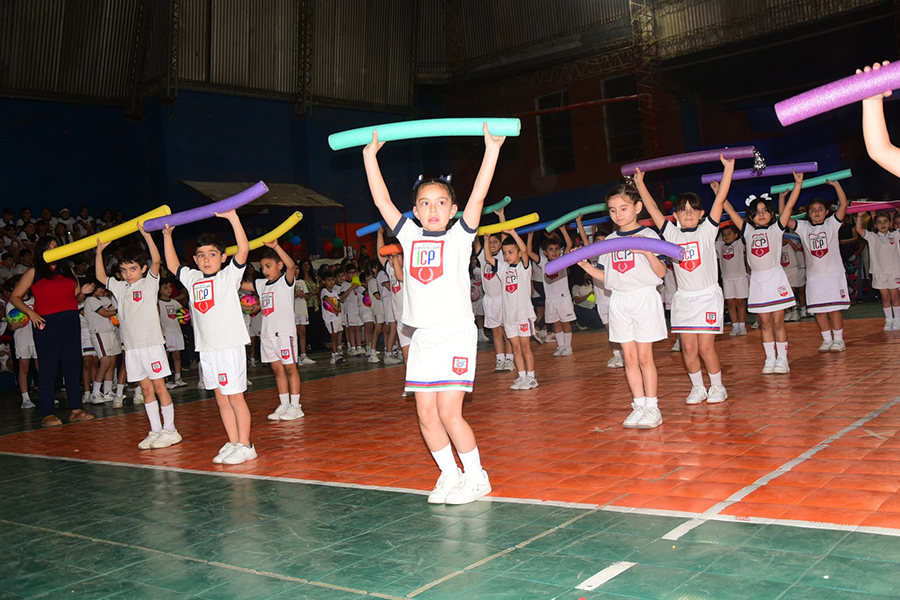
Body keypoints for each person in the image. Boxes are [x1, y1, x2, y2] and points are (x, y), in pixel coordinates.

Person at [362, 123, 504, 504]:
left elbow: (479, 195)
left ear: (452, 210)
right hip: (421, 336)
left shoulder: (461, 236)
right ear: (415, 212)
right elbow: (382, 203)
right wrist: (369, 157)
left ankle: (477, 476)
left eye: (441, 202)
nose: (433, 209)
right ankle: (450, 474)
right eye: (425, 203)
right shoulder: (408, 236)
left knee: (449, 412)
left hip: (456, 333)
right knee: (426, 414)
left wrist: (491, 150)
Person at [635, 156, 735, 405]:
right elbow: (653, 210)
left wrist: (728, 169)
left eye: (693, 209)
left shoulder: (708, 229)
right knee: (688, 349)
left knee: (706, 348)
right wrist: (640, 184)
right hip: (684, 300)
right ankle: (698, 388)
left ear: (701, 214)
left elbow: (720, 199)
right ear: (676, 216)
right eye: (682, 209)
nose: (688, 212)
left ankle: (718, 386)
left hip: (708, 296)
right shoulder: (670, 233)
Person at [163, 210, 256, 464]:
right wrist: (167, 235)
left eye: (212, 254)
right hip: (208, 349)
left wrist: (233, 218)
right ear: (195, 259)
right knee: (221, 398)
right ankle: (233, 440)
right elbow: (172, 266)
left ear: (223, 257)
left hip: (229, 346)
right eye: (201, 255)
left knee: (235, 397)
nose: (206, 259)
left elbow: (244, 250)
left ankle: (246, 445)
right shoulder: (192, 278)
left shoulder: (229, 276)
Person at [577, 183, 668, 428]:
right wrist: (586, 266)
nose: (618, 214)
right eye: (613, 210)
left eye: (623, 208)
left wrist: (647, 252)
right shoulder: (608, 240)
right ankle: (638, 404)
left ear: (638, 208)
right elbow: (609, 277)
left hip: (644, 298)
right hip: (619, 300)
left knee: (644, 356)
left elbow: (661, 272)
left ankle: (652, 406)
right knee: (628, 357)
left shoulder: (649, 236)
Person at [96, 228, 180, 448]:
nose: (128, 274)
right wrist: (99, 252)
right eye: (124, 270)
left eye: (133, 269)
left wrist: (147, 236)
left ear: (142, 268)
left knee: (160, 387)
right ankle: (155, 430)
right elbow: (100, 277)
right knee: (145, 389)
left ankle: (170, 430)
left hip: (151, 345)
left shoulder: (149, 283)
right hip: (132, 348)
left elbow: (156, 260)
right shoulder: (120, 287)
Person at [10, 236, 96, 426]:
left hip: (71, 321)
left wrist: (85, 292)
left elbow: (75, 296)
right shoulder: (35, 271)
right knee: (48, 369)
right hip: (46, 323)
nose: (54, 250)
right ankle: (47, 414)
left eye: (56, 247)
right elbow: (15, 297)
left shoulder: (68, 270)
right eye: (49, 248)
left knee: (73, 366)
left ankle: (76, 409)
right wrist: (31, 313)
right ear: (41, 251)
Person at [723, 172, 802, 374]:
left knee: (777, 321)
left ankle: (782, 359)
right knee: (764, 323)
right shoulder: (747, 231)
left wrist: (798, 183)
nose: (761, 214)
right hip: (757, 281)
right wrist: (719, 192)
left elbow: (790, 207)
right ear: (750, 216)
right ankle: (769, 358)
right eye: (756, 212)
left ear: (771, 213)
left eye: (765, 210)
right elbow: (730, 210)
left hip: (775, 279)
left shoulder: (776, 229)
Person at [782, 180, 850, 352]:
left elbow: (843, 205)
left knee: (834, 309)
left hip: (833, 275)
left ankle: (838, 340)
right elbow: (784, 218)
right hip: (814, 277)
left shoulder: (831, 224)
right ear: (808, 214)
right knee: (819, 311)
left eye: (820, 209)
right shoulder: (803, 227)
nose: (816, 212)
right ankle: (826, 339)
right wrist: (782, 199)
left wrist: (836, 186)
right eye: (813, 210)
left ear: (827, 212)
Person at [244, 242, 304, 421]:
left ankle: (296, 406)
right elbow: (239, 284)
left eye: (268, 266)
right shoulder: (261, 284)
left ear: (279, 265)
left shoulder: (286, 281)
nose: (264, 270)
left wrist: (277, 247)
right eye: (262, 267)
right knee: (277, 370)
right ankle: (284, 403)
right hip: (268, 334)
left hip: (284, 333)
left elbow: (291, 265)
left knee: (290, 368)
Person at [486, 229, 538, 390]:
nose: (507, 255)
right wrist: (487, 240)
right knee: (515, 349)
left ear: (518, 254)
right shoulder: (503, 269)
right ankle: (521, 376)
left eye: (510, 252)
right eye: (504, 253)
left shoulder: (524, 269)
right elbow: (488, 257)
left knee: (525, 348)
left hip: (523, 316)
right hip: (508, 318)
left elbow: (524, 250)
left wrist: (513, 233)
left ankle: (531, 377)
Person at [528, 227, 577, 356]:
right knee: (556, 324)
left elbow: (569, 244)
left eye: (556, 249)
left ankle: (568, 346)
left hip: (563, 297)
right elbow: (528, 252)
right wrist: (530, 236)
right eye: (551, 250)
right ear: (545, 252)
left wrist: (562, 230)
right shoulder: (543, 262)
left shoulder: (563, 260)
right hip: (550, 298)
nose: (554, 252)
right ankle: (561, 346)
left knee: (565, 322)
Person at [474, 216, 513, 372]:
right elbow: (475, 241)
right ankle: (500, 359)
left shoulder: (504, 257)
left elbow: (505, 234)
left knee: (506, 331)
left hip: (503, 299)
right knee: (496, 331)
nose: (493, 245)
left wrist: (502, 216)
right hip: (489, 300)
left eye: (496, 242)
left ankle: (510, 359)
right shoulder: (483, 257)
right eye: (490, 242)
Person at [857, 211, 900, 330]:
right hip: (878, 272)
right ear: (875, 225)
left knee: (895, 296)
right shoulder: (872, 237)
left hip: (894, 271)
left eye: (885, 222)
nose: (883, 224)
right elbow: (859, 230)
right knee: (885, 297)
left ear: (890, 223)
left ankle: (897, 319)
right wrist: (860, 216)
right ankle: (889, 320)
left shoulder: (895, 235)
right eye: (879, 222)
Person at [83, 280, 121, 403]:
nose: (102, 290)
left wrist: (115, 311)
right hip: (99, 333)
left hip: (110, 332)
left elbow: (111, 308)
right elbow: (105, 313)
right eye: (99, 288)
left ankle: (108, 391)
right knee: (105, 362)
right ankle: (95, 392)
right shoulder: (90, 301)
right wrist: (120, 311)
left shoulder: (104, 300)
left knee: (111, 362)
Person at [6, 276, 37, 409]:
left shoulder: (35, 300)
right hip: (22, 340)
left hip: (37, 339)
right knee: (24, 368)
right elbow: (10, 326)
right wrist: (16, 325)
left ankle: (47, 394)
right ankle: (25, 398)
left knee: (42, 367)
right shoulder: (11, 304)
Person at [716, 225, 750, 335]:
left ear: (736, 235)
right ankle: (734, 326)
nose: (726, 236)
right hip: (726, 278)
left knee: (740, 302)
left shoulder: (739, 243)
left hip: (740, 277)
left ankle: (742, 326)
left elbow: (745, 234)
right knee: (730, 303)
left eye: (729, 234)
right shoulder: (719, 245)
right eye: (724, 235)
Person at [292, 263, 316, 365]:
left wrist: (302, 295)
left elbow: (307, 296)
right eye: (294, 268)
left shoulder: (301, 282)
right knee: (295, 333)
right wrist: (295, 294)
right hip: (294, 311)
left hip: (302, 310)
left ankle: (303, 355)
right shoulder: (287, 283)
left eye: (297, 268)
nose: (296, 271)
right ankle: (295, 356)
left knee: (303, 332)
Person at [320, 271, 344, 364]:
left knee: (337, 334)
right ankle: (334, 354)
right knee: (333, 336)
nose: (331, 282)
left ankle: (336, 352)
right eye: (328, 280)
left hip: (336, 317)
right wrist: (335, 308)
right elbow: (327, 299)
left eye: (332, 280)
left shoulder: (334, 291)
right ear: (324, 282)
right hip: (330, 318)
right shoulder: (324, 291)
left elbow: (338, 301)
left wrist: (339, 309)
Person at [365, 261, 385, 363]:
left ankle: (388, 350)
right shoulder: (372, 281)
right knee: (377, 329)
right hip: (378, 308)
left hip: (385, 307)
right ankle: (372, 351)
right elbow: (377, 296)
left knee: (387, 329)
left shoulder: (380, 279)